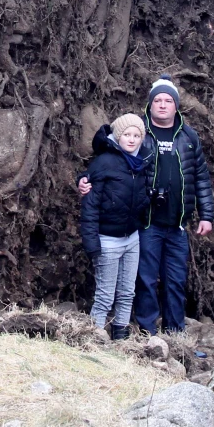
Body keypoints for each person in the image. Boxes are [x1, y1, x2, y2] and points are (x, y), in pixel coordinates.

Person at [80, 75, 214, 335]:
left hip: (177, 224)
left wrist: (206, 215)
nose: (162, 105)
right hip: (147, 221)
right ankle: (147, 333)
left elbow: (201, 178)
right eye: (157, 100)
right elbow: (110, 160)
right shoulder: (139, 133)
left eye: (168, 101)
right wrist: (83, 180)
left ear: (176, 105)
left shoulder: (189, 137)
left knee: (176, 281)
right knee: (145, 280)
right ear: (150, 105)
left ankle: (176, 333)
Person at [79, 113, 150, 340]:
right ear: (117, 137)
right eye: (127, 135)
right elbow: (89, 207)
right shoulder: (104, 162)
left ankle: (121, 336)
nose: (131, 139)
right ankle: (94, 337)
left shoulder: (143, 162)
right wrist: (92, 244)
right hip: (107, 240)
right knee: (105, 295)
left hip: (132, 238)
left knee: (127, 292)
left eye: (137, 135)